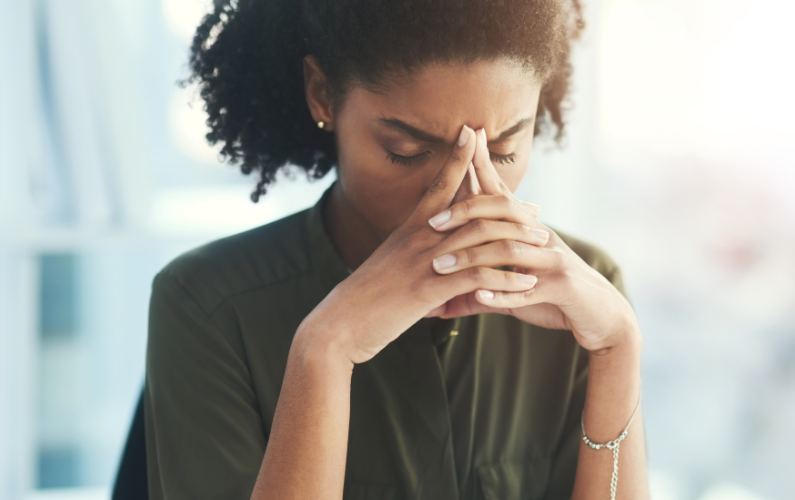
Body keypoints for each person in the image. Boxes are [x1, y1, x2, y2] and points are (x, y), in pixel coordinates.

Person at [143, 0, 648, 498]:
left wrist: (619, 348)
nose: (465, 193)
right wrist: (325, 349)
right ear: (322, 94)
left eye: (504, 150)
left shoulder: (580, 297)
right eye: (406, 152)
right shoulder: (207, 306)